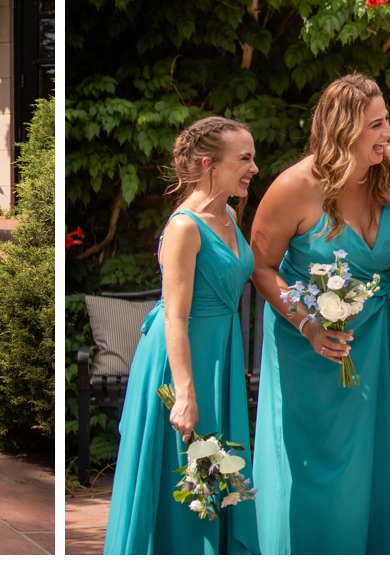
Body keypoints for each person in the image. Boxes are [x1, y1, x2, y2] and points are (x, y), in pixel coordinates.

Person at [247, 74, 390, 555]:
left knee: (369, 461)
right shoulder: (294, 188)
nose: (388, 134)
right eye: (376, 125)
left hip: (375, 335)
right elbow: (260, 267)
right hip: (309, 343)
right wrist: (307, 325)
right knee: (317, 464)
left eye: (387, 121)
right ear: (343, 130)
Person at [103, 116, 262, 555]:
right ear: (211, 163)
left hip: (219, 352)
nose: (253, 168)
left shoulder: (228, 214)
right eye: (244, 159)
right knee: (185, 470)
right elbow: (175, 317)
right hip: (183, 358)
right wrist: (186, 393)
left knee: (217, 467)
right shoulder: (184, 226)